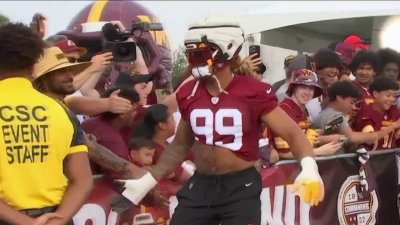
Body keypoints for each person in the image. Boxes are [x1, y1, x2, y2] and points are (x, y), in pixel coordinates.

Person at [118, 19, 324, 225]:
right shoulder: (190, 92)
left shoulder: (253, 91)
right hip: (201, 183)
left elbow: (292, 133)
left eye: (202, 53)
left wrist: (308, 167)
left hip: (240, 185)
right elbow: (180, 144)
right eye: (192, 54)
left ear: (228, 50)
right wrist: (149, 180)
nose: (195, 60)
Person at [0, 23, 93, 225]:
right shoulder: (60, 110)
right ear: (34, 67)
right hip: (56, 218)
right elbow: (83, 180)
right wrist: (58, 220)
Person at [270, 69, 343, 158]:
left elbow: (307, 136)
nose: (307, 92)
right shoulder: (284, 110)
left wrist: (328, 127)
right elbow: (284, 153)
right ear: (294, 88)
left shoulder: (302, 109)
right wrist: (318, 151)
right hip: (283, 169)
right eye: (303, 87)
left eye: (311, 88)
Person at [313, 81, 400, 153]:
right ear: (339, 98)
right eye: (351, 102)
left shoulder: (326, 115)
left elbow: (324, 131)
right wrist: (374, 136)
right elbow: (351, 137)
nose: (354, 107)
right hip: (331, 167)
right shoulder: (337, 117)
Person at [354, 76, 400, 150]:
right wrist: (393, 126)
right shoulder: (366, 111)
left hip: (390, 158)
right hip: (371, 158)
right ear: (375, 94)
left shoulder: (393, 110)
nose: (392, 99)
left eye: (394, 96)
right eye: (388, 95)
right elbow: (369, 140)